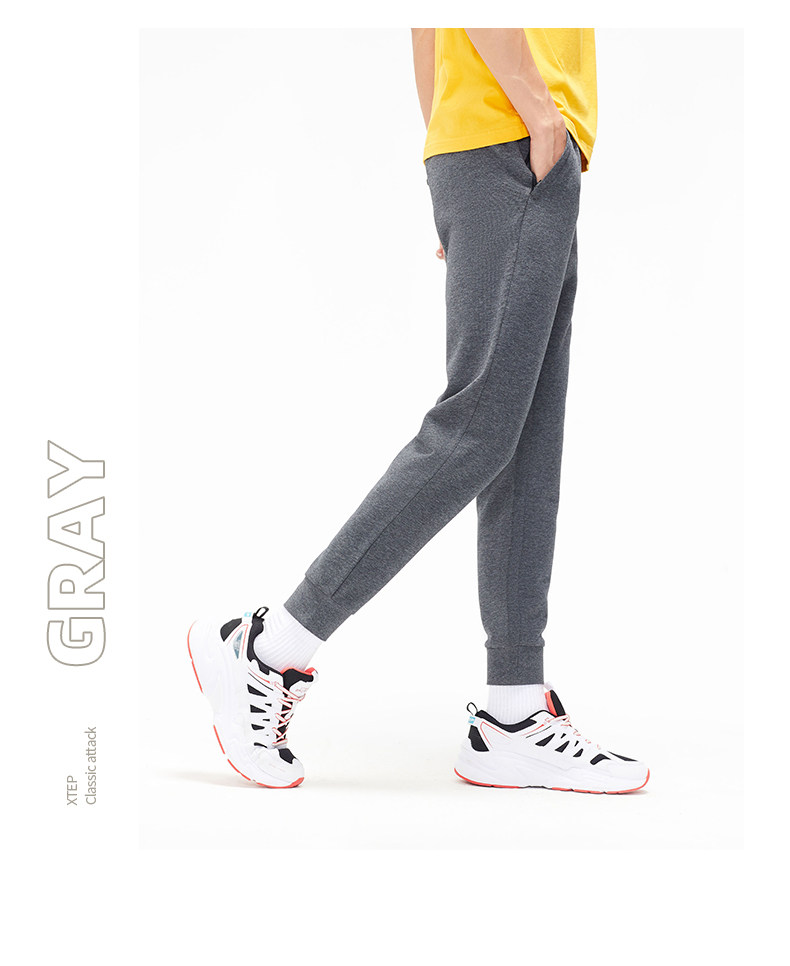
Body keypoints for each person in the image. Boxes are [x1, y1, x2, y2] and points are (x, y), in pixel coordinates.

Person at [187, 28, 649, 793]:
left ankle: (513, 715)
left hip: (506, 148)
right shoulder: (526, 127)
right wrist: (537, 121)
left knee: (525, 443)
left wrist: (454, 154)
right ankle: (270, 646)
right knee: (475, 431)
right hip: (516, 140)